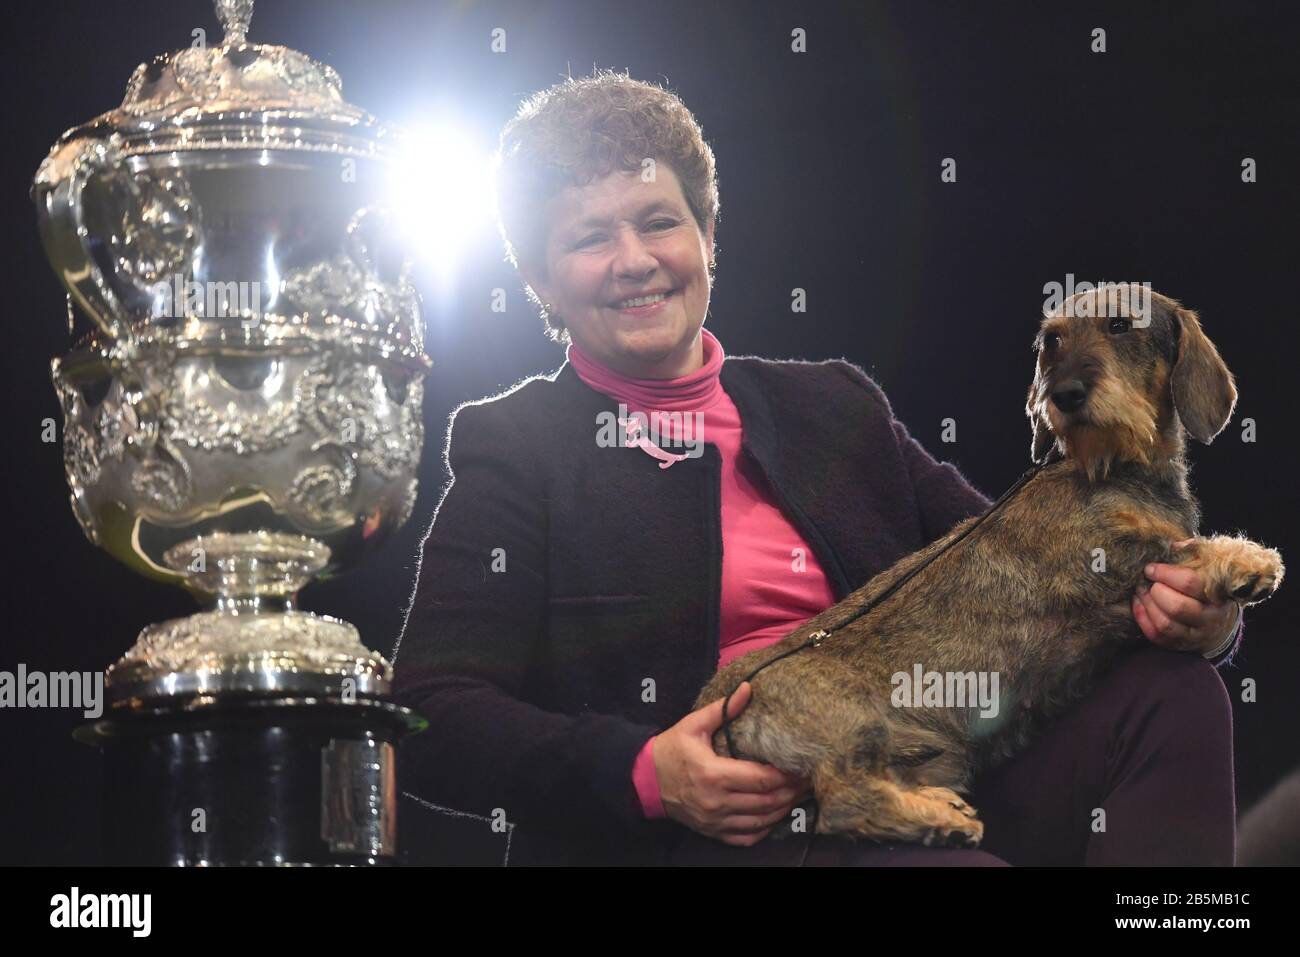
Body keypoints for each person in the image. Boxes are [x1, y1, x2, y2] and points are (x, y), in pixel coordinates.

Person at [392, 69, 1245, 866]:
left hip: (926, 766)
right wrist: (645, 772)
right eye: (588, 237)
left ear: (707, 237)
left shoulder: (834, 406)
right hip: (714, 834)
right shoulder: (512, 445)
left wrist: (1191, 614)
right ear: (540, 279)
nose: (633, 258)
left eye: (659, 221)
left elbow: (1018, 564)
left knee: (1175, 694)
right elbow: (431, 715)